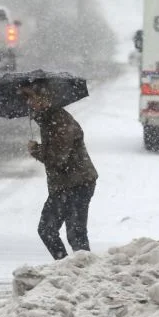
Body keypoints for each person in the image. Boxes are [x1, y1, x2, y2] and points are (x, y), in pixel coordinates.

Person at [19, 81, 98, 260]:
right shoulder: (48, 120)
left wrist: (36, 150)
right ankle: (70, 271)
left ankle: (78, 273)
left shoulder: (59, 121)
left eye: (31, 96)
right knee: (53, 230)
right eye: (25, 98)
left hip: (77, 184)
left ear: (45, 97)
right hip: (66, 184)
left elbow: (58, 159)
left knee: (71, 234)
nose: (28, 102)